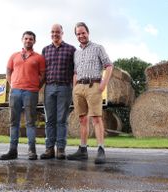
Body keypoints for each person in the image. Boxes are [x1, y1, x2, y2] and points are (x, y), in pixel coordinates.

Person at [67, 22, 113, 164]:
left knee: (96, 119)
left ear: (88, 33)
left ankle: (100, 150)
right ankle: (83, 150)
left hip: (94, 85)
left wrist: (103, 84)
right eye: (78, 34)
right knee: (82, 119)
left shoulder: (98, 48)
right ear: (76, 36)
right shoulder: (76, 53)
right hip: (79, 88)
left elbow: (109, 65)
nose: (81, 35)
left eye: (83, 32)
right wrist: (75, 87)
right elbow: (75, 72)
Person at [0, 31, 46, 160]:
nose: (28, 40)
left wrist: (36, 87)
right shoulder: (14, 56)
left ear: (34, 41)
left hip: (31, 92)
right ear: (22, 40)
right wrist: (13, 84)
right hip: (15, 92)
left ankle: (32, 151)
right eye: (26, 38)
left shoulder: (39, 58)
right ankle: (12, 151)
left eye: (31, 39)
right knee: (14, 122)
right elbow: (8, 71)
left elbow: (43, 75)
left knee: (30, 122)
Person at [40, 24, 76, 160]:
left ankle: (60, 149)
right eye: (53, 32)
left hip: (64, 87)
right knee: (49, 120)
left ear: (62, 33)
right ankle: (49, 149)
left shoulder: (71, 49)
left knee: (61, 119)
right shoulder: (45, 50)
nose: (55, 34)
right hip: (49, 87)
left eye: (58, 32)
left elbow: (75, 70)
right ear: (50, 33)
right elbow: (42, 71)